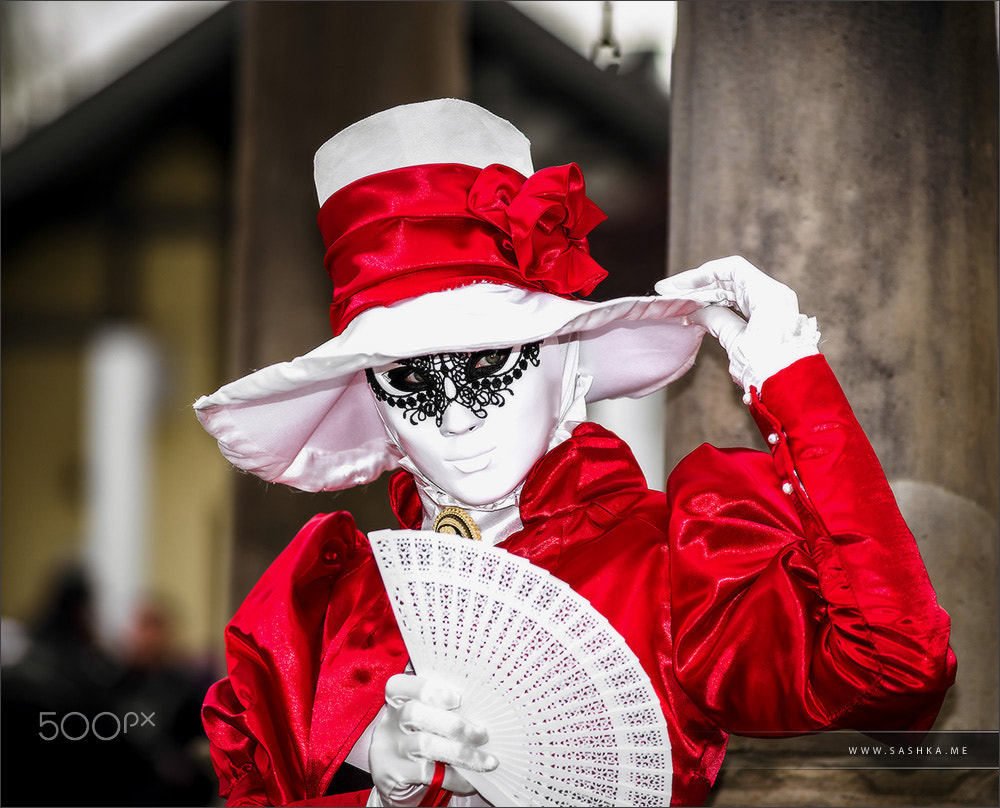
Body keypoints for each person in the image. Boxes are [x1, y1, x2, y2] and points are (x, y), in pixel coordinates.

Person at [194, 99, 955, 807]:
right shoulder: (331, 610)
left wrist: (792, 382)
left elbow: (894, 663)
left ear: (571, 369)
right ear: (378, 411)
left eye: (492, 360)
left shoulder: (674, 569)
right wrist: (382, 794)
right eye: (410, 378)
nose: (457, 413)